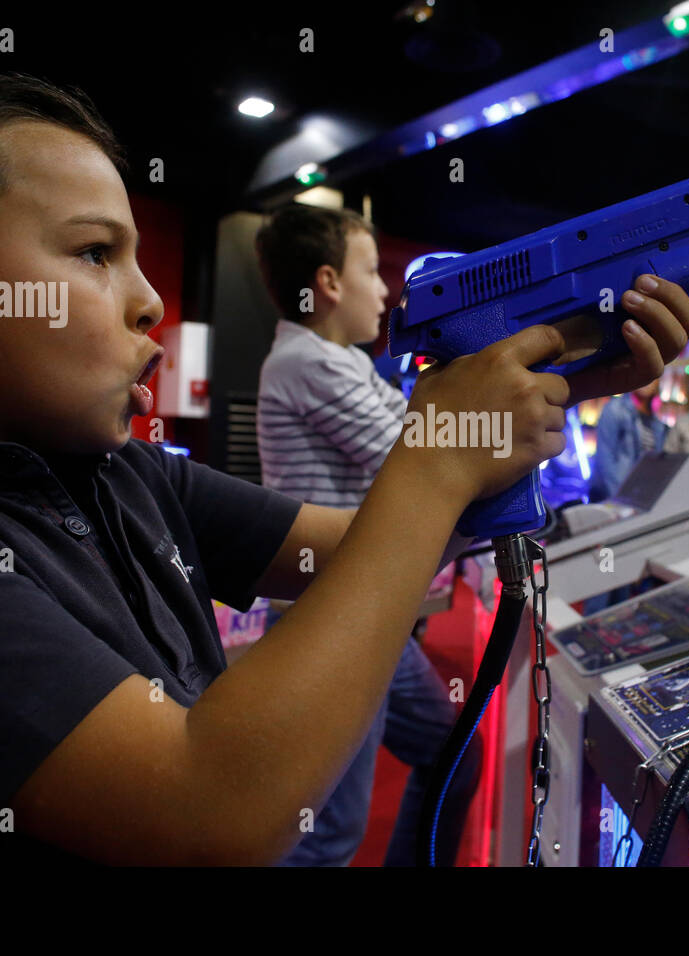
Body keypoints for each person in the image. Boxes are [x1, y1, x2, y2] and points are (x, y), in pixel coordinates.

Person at [0, 62, 689, 865]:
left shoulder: (120, 472)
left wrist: (557, 389)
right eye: (94, 253)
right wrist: (440, 459)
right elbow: (207, 808)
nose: (147, 302)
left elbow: (341, 550)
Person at [253, 203, 479, 867]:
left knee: (448, 753)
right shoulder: (306, 362)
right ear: (327, 284)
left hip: (362, 614)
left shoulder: (341, 360)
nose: (386, 290)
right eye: (372, 272)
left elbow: (420, 432)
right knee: (327, 838)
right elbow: (418, 458)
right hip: (328, 618)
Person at [590, 377, 667, 500]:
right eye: (644, 374)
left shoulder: (657, 423)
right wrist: (619, 498)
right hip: (617, 494)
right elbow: (605, 458)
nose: (647, 381)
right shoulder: (615, 409)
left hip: (642, 494)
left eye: (652, 377)